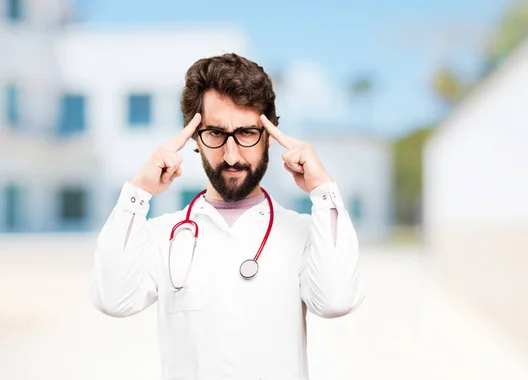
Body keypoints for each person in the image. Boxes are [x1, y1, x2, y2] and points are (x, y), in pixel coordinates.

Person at [89, 52, 364, 380]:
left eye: (247, 133)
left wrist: (323, 190)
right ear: (195, 136)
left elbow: (336, 300)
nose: (231, 155)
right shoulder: (164, 234)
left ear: (270, 135)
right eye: (216, 134)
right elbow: (113, 299)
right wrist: (137, 193)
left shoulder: (304, 233)